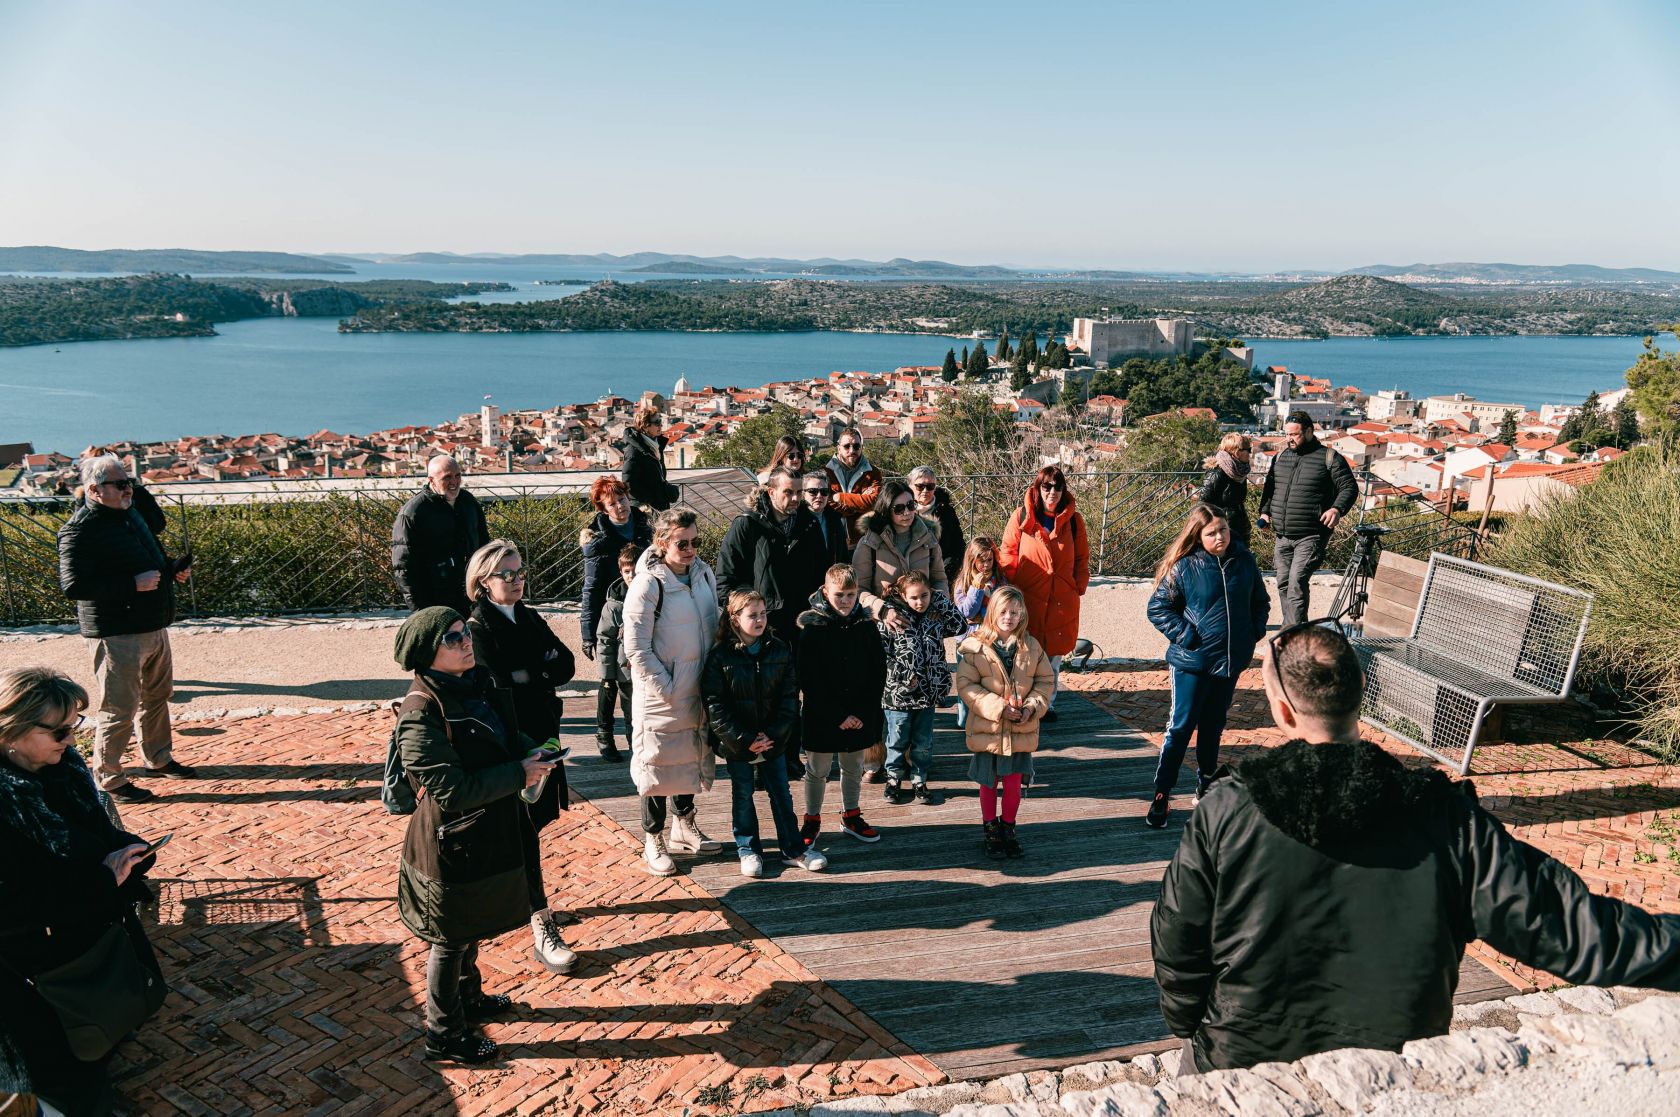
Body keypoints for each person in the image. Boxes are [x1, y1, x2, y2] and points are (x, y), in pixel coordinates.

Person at [1151, 624, 1680, 1075]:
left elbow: (1178, 933)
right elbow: (1566, 928)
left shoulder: (1227, 810)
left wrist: (1190, 1025)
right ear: (1362, 694)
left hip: (1242, 1056)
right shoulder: (1443, 815)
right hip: (1396, 1062)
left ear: (1283, 712)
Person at [392, 608, 562, 1064]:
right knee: (449, 938)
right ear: (427, 653)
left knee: (471, 927)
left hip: (485, 831)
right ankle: (443, 1034)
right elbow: (450, 789)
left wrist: (532, 748)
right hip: (448, 842)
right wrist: (517, 772)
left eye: (464, 632)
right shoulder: (421, 710)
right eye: (452, 639)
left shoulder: (476, 683)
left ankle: (471, 999)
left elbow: (504, 732)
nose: (465, 641)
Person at [0, 667, 165, 1116]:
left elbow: (92, 831)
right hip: (34, 958)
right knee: (62, 1065)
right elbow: (14, 906)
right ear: (12, 729)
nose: (71, 741)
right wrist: (101, 881)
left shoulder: (63, 767)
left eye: (75, 727)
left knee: (102, 1019)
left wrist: (126, 851)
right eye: (59, 731)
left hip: (92, 927)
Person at [464, 540, 582, 959]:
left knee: (534, 825)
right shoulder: (479, 628)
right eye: (506, 575)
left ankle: (526, 903)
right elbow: (497, 686)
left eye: (519, 572)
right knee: (522, 833)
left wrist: (530, 673)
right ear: (484, 581)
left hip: (545, 738)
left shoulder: (528, 617)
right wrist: (537, 670)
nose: (516, 581)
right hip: (516, 749)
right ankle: (539, 918)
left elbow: (565, 664)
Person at [56, 454, 195, 804]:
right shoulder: (79, 529)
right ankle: (109, 777)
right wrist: (132, 584)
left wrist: (171, 568)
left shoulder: (132, 514)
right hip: (116, 632)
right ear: (93, 490)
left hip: (153, 623)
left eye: (128, 482)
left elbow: (151, 546)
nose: (127, 489)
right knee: (118, 708)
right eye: (119, 484)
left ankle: (158, 758)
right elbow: (73, 586)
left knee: (157, 697)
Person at [1144, 505, 1269, 829]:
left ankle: (1206, 783)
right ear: (1198, 536)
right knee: (1181, 728)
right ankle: (1162, 793)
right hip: (1192, 663)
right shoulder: (1185, 567)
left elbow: (1261, 601)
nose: (1220, 537)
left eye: (1223, 530)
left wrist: (1253, 631)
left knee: (1213, 726)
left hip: (1229, 662)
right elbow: (1158, 608)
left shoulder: (1245, 561)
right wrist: (1187, 635)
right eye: (1212, 532)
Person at [623, 508, 725, 876]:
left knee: (690, 757)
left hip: (698, 686)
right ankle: (653, 837)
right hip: (663, 692)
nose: (691, 549)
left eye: (696, 541)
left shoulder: (703, 574)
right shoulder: (648, 584)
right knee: (657, 763)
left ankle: (685, 825)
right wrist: (666, 685)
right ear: (662, 543)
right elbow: (635, 648)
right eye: (682, 543)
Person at [703, 590, 828, 878]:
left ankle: (793, 849)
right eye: (752, 615)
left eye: (763, 614)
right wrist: (746, 739)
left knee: (781, 794)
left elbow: (789, 697)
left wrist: (773, 734)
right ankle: (748, 848)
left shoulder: (779, 649)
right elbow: (715, 705)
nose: (759, 620)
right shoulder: (720, 657)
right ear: (735, 620)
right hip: (738, 742)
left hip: (773, 740)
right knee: (743, 795)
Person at [955, 587, 1052, 860]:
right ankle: (991, 829)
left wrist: (1032, 707)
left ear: (1022, 614)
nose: (1008, 617)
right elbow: (966, 685)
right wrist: (998, 708)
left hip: (1021, 730)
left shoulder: (1032, 647)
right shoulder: (976, 647)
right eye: (1003, 611)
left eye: (1014, 612)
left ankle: (1008, 827)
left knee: (1012, 783)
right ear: (992, 613)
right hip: (990, 729)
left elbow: (1045, 682)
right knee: (988, 782)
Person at [795, 565, 887, 847]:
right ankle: (812, 817)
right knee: (818, 769)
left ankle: (851, 813)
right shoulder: (812, 629)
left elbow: (877, 672)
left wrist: (860, 713)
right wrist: (838, 714)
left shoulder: (867, 626)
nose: (845, 601)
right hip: (822, 714)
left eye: (850, 594)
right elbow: (808, 678)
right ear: (825, 592)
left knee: (853, 765)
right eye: (839, 595)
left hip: (860, 713)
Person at [998, 465, 1089, 722]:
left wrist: (1077, 585)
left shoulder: (1073, 521)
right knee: (1023, 654)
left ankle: (1045, 705)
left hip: (1062, 599)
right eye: (1047, 486)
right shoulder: (1021, 517)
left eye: (1058, 487)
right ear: (1038, 488)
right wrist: (1014, 585)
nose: (1052, 492)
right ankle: (1021, 703)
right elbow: (1008, 553)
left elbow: (1082, 558)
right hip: (1028, 599)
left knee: (1053, 658)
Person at [1257, 411, 1358, 627]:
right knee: (1283, 583)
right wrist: (1265, 512)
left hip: (1311, 534)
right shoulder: (1280, 457)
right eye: (1287, 435)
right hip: (1282, 535)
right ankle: (1293, 628)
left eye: (1295, 434)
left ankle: (1293, 634)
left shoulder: (1329, 458)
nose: (1289, 439)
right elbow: (1270, 489)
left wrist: (1337, 509)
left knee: (1296, 582)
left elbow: (1349, 487)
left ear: (1309, 432)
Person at [876, 571, 965, 805]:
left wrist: (941, 601)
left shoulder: (935, 615)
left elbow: (960, 625)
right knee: (896, 739)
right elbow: (879, 653)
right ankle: (893, 779)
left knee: (923, 742)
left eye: (925, 596)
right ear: (903, 596)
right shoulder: (892, 619)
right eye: (914, 597)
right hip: (899, 694)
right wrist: (904, 676)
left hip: (927, 694)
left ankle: (919, 779)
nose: (920, 602)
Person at [715, 468, 829, 644]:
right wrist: (743, 618)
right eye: (788, 492)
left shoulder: (810, 523)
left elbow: (822, 573)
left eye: (799, 492)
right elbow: (726, 577)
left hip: (802, 625)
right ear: (772, 492)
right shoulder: (747, 524)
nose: (795, 498)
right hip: (761, 626)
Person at [391, 454, 489, 617]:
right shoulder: (413, 513)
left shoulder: (468, 501)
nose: (454, 482)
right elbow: (404, 568)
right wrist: (421, 613)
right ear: (431, 480)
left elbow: (484, 544)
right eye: (447, 477)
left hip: (472, 593)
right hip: (436, 599)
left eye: (458, 475)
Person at [853, 479, 950, 632]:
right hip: (885, 628)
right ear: (886, 509)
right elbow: (858, 589)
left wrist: (938, 605)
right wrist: (883, 610)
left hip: (925, 626)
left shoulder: (928, 538)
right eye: (899, 508)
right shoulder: (870, 543)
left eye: (911, 505)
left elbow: (939, 579)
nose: (907, 512)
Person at [578, 476, 653, 663]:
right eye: (612, 504)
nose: (620, 506)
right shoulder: (597, 543)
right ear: (604, 510)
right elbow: (592, 589)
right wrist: (588, 635)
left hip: (649, 602)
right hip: (618, 607)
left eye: (622, 499)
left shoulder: (647, 527)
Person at [591, 544, 642, 763]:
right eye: (626, 571)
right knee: (631, 715)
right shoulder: (614, 606)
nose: (631, 576)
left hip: (648, 668)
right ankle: (634, 755)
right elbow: (605, 641)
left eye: (635, 571)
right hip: (625, 671)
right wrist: (608, 675)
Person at [951, 536, 1007, 730]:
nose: (985, 565)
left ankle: (988, 716)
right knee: (967, 680)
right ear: (972, 560)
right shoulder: (963, 582)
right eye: (981, 560)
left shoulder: (999, 579)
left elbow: (1001, 606)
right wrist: (976, 588)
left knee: (991, 681)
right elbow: (967, 612)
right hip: (968, 639)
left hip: (991, 637)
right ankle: (964, 719)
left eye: (989, 560)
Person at [821, 427, 882, 547]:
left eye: (856, 446)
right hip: (833, 538)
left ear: (862, 448)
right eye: (846, 446)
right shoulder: (825, 472)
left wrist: (839, 497)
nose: (851, 450)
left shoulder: (873, 473)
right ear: (838, 448)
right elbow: (827, 502)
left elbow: (872, 501)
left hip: (863, 539)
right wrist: (858, 502)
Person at [617, 402, 681, 511]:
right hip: (645, 509)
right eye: (657, 422)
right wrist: (651, 499)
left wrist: (664, 491)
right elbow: (629, 484)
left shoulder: (655, 447)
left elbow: (658, 478)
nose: (661, 425)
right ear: (645, 426)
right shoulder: (634, 451)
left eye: (660, 421)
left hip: (659, 506)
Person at [907, 465, 965, 585]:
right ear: (910, 486)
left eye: (930, 487)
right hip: (908, 576)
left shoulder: (946, 511)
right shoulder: (902, 510)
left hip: (941, 573)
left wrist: (945, 570)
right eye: (920, 486)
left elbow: (957, 545)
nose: (925, 491)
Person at [1198, 433, 1254, 544]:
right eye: (1247, 450)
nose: (1249, 453)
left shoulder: (1239, 471)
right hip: (1222, 531)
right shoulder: (1217, 473)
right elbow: (1203, 504)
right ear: (1236, 452)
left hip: (1239, 528)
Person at [802, 470, 850, 567]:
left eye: (824, 492)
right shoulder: (794, 520)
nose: (819, 496)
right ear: (803, 494)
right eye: (813, 491)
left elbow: (843, 556)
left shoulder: (836, 520)